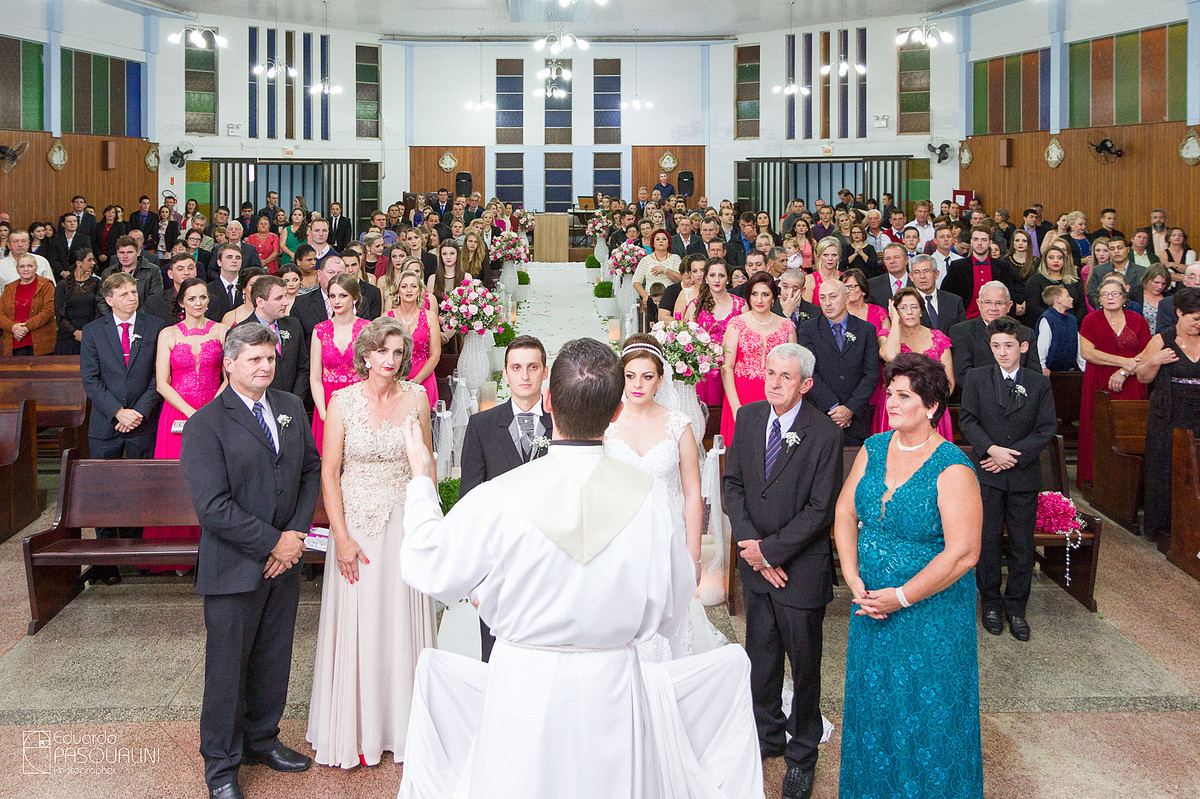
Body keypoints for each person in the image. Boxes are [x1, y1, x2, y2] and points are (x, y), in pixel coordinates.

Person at [397, 337, 762, 799]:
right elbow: (671, 613)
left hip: (521, 685)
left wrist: (421, 481)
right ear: (613, 413)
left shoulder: (500, 495)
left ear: (548, 401)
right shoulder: (649, 499)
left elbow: (428, 565)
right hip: (612, 688)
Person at [179, 322, 320, 799]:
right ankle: (220, 766)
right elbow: (213, 507)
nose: (265, 367)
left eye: (270, 359)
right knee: (227, 670)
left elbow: (310, 470)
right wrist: (272, 543)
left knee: (273, 657)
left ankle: (263, 738)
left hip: (284, 560)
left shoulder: (288, 408)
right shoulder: (205, 424)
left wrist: (295, 534)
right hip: (234, 568)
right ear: (230, 363)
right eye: (255, 359)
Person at [834, 351, 983, 799]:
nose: (892, 403)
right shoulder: (874, 447)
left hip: (930, 616)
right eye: (890, 393)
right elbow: (844, 511)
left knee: (929, 710)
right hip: (871, 609)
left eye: (904, 396)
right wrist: (852, 575)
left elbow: (964, 554)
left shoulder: (952, 467)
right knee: (876, 707)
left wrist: (900, 597)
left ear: (932, 406)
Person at [306, 316, 436, 769]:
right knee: (360, 621)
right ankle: (357, 728)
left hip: (404, 521)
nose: (392, 360)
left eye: (399, 353)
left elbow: (426, 464)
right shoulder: (341, 402)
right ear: (365, 355)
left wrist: (427, 527)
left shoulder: (417, 397)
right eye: (383, 351)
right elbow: (329, 473)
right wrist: (340, 538)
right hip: (356, 525)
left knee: (402, 619)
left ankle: (404, 727)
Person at [723, 342, 842, 799]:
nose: (773, 382)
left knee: (804, 663)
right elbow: (734, 484)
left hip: (800, 570)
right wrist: (752, 548)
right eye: (769, 373)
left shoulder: (824, 434)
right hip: (757, 564)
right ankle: (766, 734)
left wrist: (770, 551)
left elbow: (819, 510)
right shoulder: (750, 418)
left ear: (806, 384)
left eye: (785, 377)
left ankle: (803, 751)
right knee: (763, 657)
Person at [605, 334, 727, 662]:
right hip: (619, 542)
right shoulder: (607, 425)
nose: (638, 385)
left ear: (661, 379)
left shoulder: (678, 425)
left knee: (668, 626)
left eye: (647, 377)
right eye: (630, 376)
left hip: (667, 543)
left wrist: (694, 554)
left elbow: (691, 493)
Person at [959, 316, 1056, 642]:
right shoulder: (977, 378)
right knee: (986, 541)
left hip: (1023, 473)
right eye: (996, 346)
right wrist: (992, 451)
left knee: (1021, 543)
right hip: (988, 471)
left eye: (1009, 346)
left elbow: (1045, 428)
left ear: (1023, 347)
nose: (1002, 352)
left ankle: (1016, 605)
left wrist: (1011, 456)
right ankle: (989, 602)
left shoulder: (1038, 382)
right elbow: (968, 420)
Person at [458, 334, 552, 662]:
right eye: (516, 367)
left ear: (544, 371)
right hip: (499, 561)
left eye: (532, 367)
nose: (524, 375)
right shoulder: (481, 425)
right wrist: (475, 577)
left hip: (550, 559)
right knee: (497, 653)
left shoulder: (563, 424)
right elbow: (469, 501)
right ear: (506, 373)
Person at [80, 273, 164, 585]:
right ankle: (106, 560)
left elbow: (159, 376)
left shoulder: (154, 327)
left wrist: (138, 412)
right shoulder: (93, 331)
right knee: (106, 490)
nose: (131, 296)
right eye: (123, 293)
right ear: (109, 299)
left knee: (142, 485)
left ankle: (137, 552)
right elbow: (90, 379)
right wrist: (118, 411)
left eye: (133, 290)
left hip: (144, 421)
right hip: (106, 422)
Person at [143, 278, 228, 571]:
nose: (198, 303)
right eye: (191, 298)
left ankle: (213, 547)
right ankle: (177, 554)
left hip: (214, 411)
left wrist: (208, 411)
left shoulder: (221, 330)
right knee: (178, 477)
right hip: (176, 413)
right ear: (181, 302)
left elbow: (229, 379)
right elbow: (162, 383)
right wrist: (191, 413)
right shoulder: (167, 334)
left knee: (213, 477)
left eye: (203, 297)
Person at [1136, 287, 1200, 547]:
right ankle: (1161, 525)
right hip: (1170, 413)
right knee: (1165, 468)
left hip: (1198, 412)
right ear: (1179, 313)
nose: (1199, 324)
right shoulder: (1163, 339)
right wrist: (1156, 361)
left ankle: (1193, 522)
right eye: (1195, 318)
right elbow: (1142, 376)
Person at [1077, 277, 1153, 487]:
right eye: (1105, 294)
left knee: (1130, 430)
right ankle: (1096, 481)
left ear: (1124, 297)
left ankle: (1130, 486)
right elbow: (1087, 353)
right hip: (1098, 381)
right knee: (1097, 429)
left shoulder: (1137, 320)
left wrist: (1123, 372)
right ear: (1098, 299)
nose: (1110, 298)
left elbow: (1148, 351)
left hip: (1132, 382)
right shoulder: (1090, 320)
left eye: (1115, 293)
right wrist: (1125, 362)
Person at [797, 279, 880, 447]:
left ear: (846, 297)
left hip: (856, 418)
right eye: (822, 298)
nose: (827, 303)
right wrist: (834, 407)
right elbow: (808, 371)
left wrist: (850, 409)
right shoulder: (808, 329)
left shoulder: (866, 330)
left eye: (833, 296)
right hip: (820, 414)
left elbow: (871, 374)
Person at [720, 272, 796, 441]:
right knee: (741, 452)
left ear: (773, 298)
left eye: (765, 294)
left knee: (772, 450)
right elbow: (727, 367)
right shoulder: (736, 324)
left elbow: (793, 370)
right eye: (754, 294)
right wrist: (735, 406)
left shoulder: (787, 326)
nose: (759, 300)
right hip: (741, 393)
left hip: (776, 393)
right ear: (748, 296)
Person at [873, 288, 955, 439]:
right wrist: (895, 322)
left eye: (914, 307)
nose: (909, 312)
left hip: (931, 406)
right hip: (896, 405)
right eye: (903, 308)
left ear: (921, 311)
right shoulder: (886, 335)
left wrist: (928, 403)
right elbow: (891, 356)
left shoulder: (938, 338)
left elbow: (949, 384)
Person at [311, 274, 368, 453]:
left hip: (360, 400)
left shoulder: (368, 329)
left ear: (355, 298)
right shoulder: (320, 330)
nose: (337, 301)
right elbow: (315, 377)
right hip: (328, 400)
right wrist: (323, 413)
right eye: (332, 295)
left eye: (343, 295)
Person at [949, 282, 1042, 391]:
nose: (993, 308)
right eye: (988, 302)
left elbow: (1034, 374)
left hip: (1018, 400)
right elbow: (963, 374)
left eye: (999, 303)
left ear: (1009, 306)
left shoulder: (1026, 333)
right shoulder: (961, 332)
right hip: (979, 400)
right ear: (979, 304)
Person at [239, 276, 309, 401]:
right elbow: (239, 376)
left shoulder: (293, 325)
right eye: (278, 298)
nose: (286, 302)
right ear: (260, 302)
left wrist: (295, 400)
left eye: (285, 296)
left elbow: (303, 366)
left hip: (293, 401)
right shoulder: (240, 332)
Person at [384, 269, 440, 408]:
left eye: (413, 286)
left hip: (424, 377)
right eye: (404, 286)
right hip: (394, 379)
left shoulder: (430, 317)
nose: (409, 290)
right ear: (397, 290)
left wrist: (416, 381)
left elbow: (435, 355)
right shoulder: (386, 318)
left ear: (420, 291)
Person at [0, 253, 56, 355]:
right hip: (14, 343)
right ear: (17, 269)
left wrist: (26, 327)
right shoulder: (9, 288)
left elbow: (49, 310)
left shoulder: (46, 285)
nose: (26, 269)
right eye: (22, 266)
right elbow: (1, 314)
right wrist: (13, 327)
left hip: (41, 343)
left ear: (36, 268)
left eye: (30, 266)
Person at [54, 248, 102, 354]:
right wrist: (75, 332)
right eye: (89, 260)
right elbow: (59, 314)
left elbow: (100, 310)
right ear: (78, 263)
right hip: (68, 336)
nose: (93, 263)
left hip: (92, 333)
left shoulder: (96, 283)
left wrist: (86, 332)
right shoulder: (62, 285)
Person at [290, 253, 348, 339]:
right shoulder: (301, 303)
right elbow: (296, 340)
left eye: (340, 273)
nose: (336, 277)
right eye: (331, 272)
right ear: (319, 274)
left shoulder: (357, 302)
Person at [909, 254, 966, 334]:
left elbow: (962, 333)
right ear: (911, 277)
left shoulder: (954, 301)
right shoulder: (904, 303)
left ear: (936, 274)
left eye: (926, 271)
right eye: (917, 272)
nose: (922, 276)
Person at [1036, 285, 1084, 373]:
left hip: (1068, 370)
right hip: (1051, 370)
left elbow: (1078, 345)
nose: (1072, 299)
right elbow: (1043, 346)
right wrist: (1042, 366)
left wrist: (1084, 367)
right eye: (1068, 296)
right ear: (1058, 299)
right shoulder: (1047, 319)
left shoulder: (1072, 319)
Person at [1134, 264, 1173, 335]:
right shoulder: (1134, 295)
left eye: (1163, 284)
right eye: (1156, 282)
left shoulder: (1169, 298)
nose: (1160, 286)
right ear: (1146, 279)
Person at [806, 237, 844, 305]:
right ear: (819, 257)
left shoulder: (845, 278)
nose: (830, 258)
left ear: (839, 258)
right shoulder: (809, 279)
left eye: (834, 255)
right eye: (825, 255)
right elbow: (807, 310)